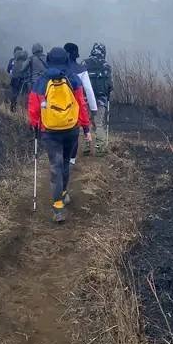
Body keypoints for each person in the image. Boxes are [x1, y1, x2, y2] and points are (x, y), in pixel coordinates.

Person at [28, 47, 91, 223]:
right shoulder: (73, 79)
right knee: (65, 162)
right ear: (66, 60)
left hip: (50, 131)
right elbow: (81, 104)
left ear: (49, 60)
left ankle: (58, 208)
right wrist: (86, 128)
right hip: (71, 129)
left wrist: (34, 124)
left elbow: (33, 106)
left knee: (55, 165)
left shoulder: (41, 81)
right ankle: (63, 193)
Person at [63, 42, 97, 163]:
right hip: (75, 108)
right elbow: (88, 90)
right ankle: (71, 161)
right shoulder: (81, 70)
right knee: (73, 135)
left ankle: (60, 159)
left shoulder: (57, 69)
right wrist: (93, 109)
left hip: (58, 107)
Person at [85, 42, 113, 146]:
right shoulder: (106, 65)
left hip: (86, 99)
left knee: (86, 123)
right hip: (101, 100)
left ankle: (86, 147)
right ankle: (100, 147)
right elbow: (110, 85)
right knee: (99, 124)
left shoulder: (84, 63)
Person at [8, 47, 29, 112]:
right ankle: (21, 110)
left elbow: (8, 69)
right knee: (22, 95)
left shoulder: (12, 60)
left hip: (14, 79)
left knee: (14, 93)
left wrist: (12, 73)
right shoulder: (26, 60)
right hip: (23, 80)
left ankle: (13, 108)